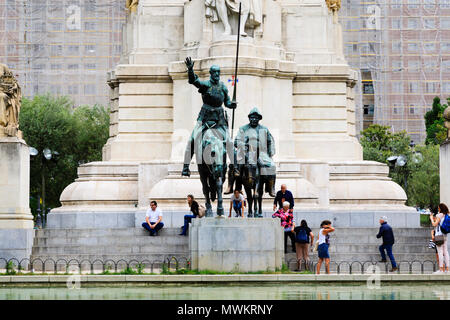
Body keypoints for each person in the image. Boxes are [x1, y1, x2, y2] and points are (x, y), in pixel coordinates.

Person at [430, 203, 450, 274]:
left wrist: (431, 218)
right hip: (444, 236)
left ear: (441, 208)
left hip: (439, 236)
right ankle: (448, 269)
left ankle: (441, 270)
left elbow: (434, 224)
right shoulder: (446, 215)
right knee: (446, 252)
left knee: (440, 253)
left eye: (439, 208)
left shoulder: (439, 215)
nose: (438, 209)